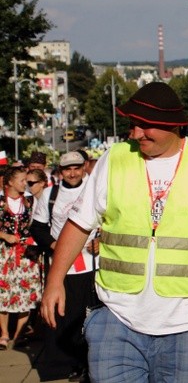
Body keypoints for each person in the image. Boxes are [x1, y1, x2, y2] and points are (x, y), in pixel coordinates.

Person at [40, 82, 188, 382]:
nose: (135, 133)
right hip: (117, 318)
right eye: (133, 124)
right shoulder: (114, 159)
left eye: (146, 126)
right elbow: (79, 223)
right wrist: (54, 281)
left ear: (174, 126)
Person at [30, 151, 97, 382]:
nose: (72, 173)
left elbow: (108, 222)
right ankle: (62, 365)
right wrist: (56, 243)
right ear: (60, 171)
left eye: (77, 168)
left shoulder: (94, 190)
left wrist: (102, 240)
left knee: (88, 318)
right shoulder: (50, 194)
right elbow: (37, 228)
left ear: (84, 167)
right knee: (60, 316)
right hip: (62, 267)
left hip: (90, 266)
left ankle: (86, 364)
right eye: (67, 169)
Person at [0, 166, 43, 350]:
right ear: (10, 182)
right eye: (22, 180)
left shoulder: (30, 202)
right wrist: (4, 235)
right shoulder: (1, 202)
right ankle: (4, 334)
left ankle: (18, 336)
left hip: (26, 254)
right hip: (5, 254)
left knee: (26, 293)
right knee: (3, 293)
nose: (25, 183)